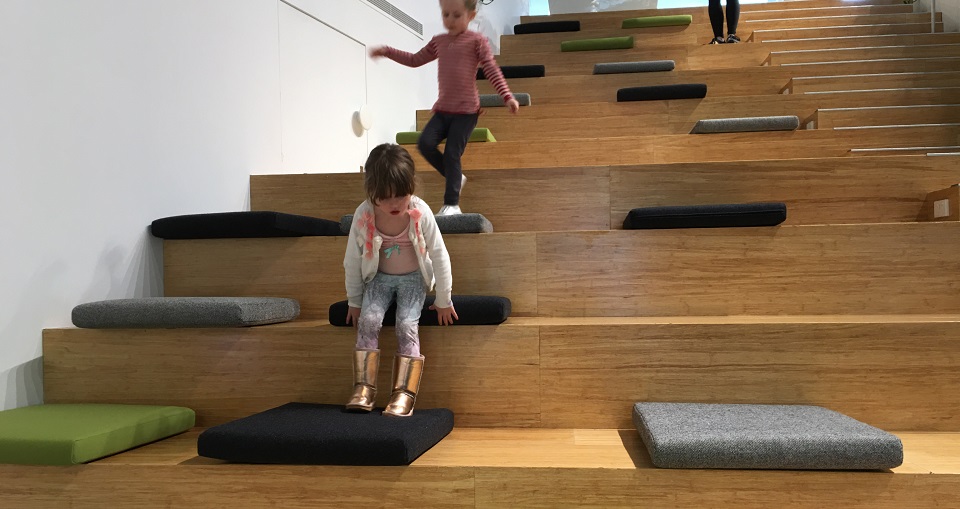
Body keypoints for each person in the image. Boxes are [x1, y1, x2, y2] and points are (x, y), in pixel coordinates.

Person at [369, 0, 520, 216]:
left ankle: (452, 204)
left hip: (466, 112)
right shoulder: (439, 41)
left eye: (456, 15)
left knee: (451, 154)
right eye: (445, 14)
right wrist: (387, 51)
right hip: (443, 110)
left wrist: (507, 96)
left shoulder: (477, 41)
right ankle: (455, 176)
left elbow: (491, 69)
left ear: (471, 15)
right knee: (425, 143)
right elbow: (414, 60)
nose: (450, 20)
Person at [343, 143, 457, 417]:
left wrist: (444, 299)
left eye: (401, 195)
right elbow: (352, 260)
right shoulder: (364, 214)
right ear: (372, 192)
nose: (395, 204)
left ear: (412, 188)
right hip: (378, 279)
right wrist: (354, 301)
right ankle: (364, 388)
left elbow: (440, 255)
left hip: (412, 280)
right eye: (385, 197)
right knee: (369, 321)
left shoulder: (420, 212)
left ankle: (404, 393)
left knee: (406, 324)